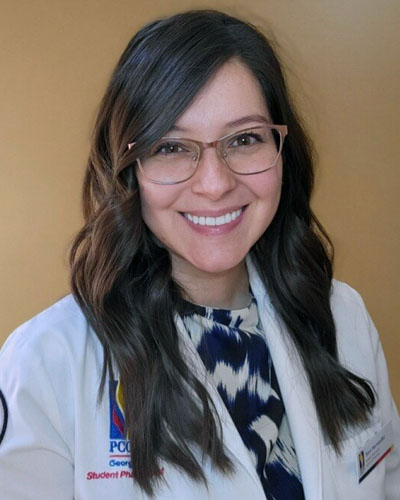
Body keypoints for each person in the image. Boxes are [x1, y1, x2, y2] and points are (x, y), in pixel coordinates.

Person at [0, 9, 399, 500]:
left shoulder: (345, 318)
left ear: (281, 152)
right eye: (171, 147)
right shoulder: (47, 362)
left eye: (245, 139)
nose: (215, 184)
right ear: (127, 169)